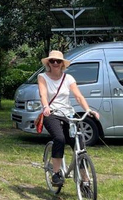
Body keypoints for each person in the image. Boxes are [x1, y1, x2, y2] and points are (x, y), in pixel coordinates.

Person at [38, 50, 100, 187]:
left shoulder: (68, 78)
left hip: (68, 114)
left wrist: (88, 110)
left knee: (79, 145)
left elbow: (78, 96)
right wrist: (46, 106)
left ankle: (85, 181)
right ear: (48, 63)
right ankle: (56, 173)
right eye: (52, 61)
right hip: (51, 113)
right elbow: (43, 94)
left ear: (62, 64)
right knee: (59, 139)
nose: (55, 63)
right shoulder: (42, 77)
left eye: (58, 61)